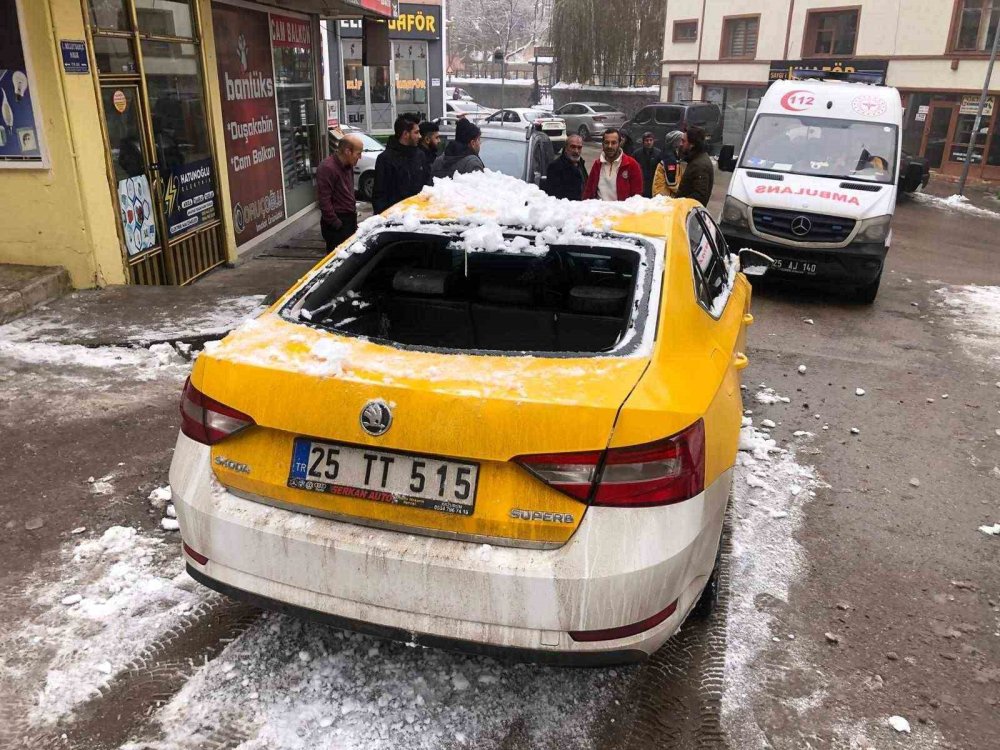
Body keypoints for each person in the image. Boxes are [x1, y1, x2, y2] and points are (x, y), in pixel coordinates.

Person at [372, 113, 429, 214]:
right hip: (395, 218)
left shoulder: (420, 155)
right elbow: (379, 195)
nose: (420, 136)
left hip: (419, 216)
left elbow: (427, 185)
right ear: (405, 134)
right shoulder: (385, 159)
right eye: (416, 133)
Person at [317, 134, 363, 251]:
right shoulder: (328, 168)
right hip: (337, 222)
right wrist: (336, 223)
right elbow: (324, 199)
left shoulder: (348, 166)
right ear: (348, 151)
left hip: (349, 219)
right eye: (358, 153)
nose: (360, 157)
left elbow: (348, 190)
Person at [583, 128, 643, 201]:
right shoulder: (597, 165)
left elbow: (637, 196)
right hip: (600, 211)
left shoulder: (632, 164)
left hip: (621, 211)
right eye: (607, 142)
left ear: (619, 143)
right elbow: (588, 192)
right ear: (602, 144)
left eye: (613, 143)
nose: (610, 146)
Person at [675, 125, 714, 206]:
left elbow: (699, 196)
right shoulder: (695, 159)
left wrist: (680, 204)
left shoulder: (700, 165)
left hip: (687, 213)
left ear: (692, 144)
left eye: (683, 141)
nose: (680, 144)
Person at [544, 133, 587, 200]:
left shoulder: (580, 163)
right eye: (573, 147)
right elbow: (554, 196)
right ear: (566, 148)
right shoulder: (555, 167)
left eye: (579, 147)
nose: (576, 151)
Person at [652, 130, 686, 198]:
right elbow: (672, 183)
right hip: (664, 198)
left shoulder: (670, 154)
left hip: (663, 196)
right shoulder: (670, 159)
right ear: (675, 142)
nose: (683, 143)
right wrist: (683, 193)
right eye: (681, 141)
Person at [632, 132, 662, 198]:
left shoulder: (658, 153)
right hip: (641, 183)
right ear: (643, 142)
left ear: (653, 141)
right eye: (647, 140)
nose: (649, 142)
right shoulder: (636, 154)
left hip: (654, 183)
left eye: (651, 140)